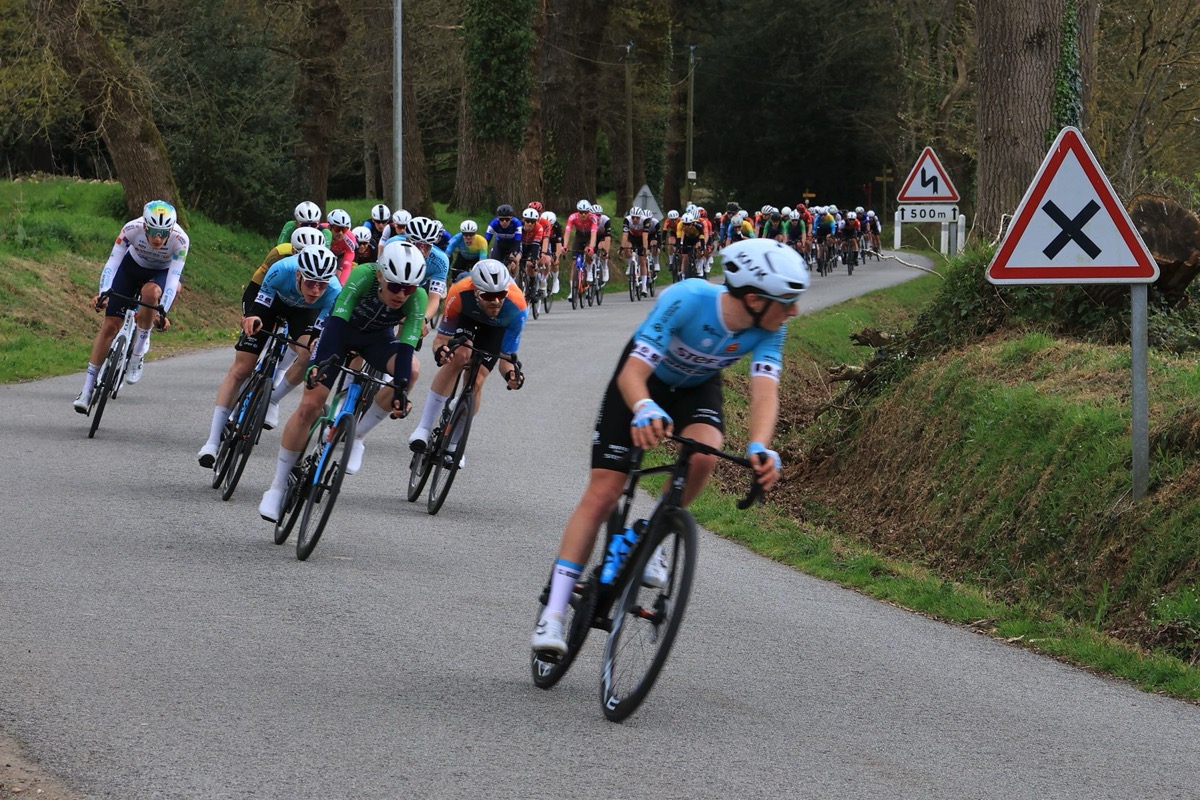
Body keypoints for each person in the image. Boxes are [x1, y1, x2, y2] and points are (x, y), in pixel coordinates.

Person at [530, 238, 807, 654]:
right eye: (787, 301)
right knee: (605, 490)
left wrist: (759, 446)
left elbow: (765, 392)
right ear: (754, 299)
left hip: (695, 389)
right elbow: (632, 374)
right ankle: (552, 615)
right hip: (643, 381)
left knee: (705, 453)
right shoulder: (688, 299)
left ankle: (653, 534)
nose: (794, 310)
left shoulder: (772, 327)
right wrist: (643, 407)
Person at [258, 240, 429, 521]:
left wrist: (400, 388)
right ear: (381, 276)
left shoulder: (417, 297)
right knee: (311, 405)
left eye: (408, 289)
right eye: (395, 286)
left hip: (377, 341)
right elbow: (337, 321)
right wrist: (320, 365)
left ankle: (358, 435)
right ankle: (277, 487)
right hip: (340, 333)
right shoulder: (364, 275)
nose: (401, 295)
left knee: (410, 370)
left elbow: (407, 344)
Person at [196, 245, 342, 467]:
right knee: (241, 369)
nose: (315, 290)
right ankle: (212, 442)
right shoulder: (281, 269)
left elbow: (318, 332)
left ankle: (273, 399)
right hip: (273, 304)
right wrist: (251, 317)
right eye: (311, 283)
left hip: (304, 314)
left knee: (308, 354)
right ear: (299, 274)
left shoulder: (334, 291)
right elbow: (259, 304)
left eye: (321, 285)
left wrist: (315, 343)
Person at [407, 259, 526, 464]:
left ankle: (454, 444)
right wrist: (441, 352)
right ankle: (423, 428)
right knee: (460, 356)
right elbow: (441, 340)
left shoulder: (517, 306)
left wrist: (511, 375)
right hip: (467, 316)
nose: (496, 301)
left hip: (496, 327)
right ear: (476, 292)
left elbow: (506, 359)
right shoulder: (459, 292)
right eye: (489, 296)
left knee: (477, 378)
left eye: (501, 295)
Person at [74, 200, 188, 412]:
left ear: (171, 230)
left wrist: (162, 311)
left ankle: (138, 352)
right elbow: (113, 262)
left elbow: (173, 280)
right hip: (132, 267)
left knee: (150, 293)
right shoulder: (131, 229)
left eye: (163, 233)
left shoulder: (181, 240)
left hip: (161, 273)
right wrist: (104, 293)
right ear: (145, 226)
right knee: (109, 326)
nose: (157, 238)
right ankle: (87, 390)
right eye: (153, 231)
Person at [485, 204, 523, 272]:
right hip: (500, 244)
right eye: (501, 219)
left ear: (511, 218)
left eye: (507, 219)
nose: (504, 222)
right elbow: (486, 241)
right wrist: (483, 252)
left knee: (514, 262)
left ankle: (513, 277)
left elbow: (517, 241)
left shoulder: (517, 223)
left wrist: (513, 254)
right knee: (494, 263)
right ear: (498, 218)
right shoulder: (494, 223)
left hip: (513, 244)